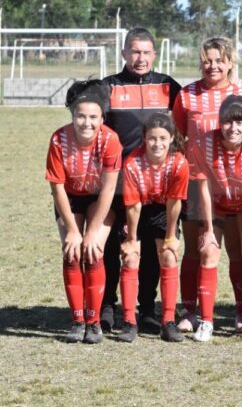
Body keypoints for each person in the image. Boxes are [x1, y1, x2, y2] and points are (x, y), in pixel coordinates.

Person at [172, 37, 242, 333]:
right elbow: (176, 136)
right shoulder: (187, 95)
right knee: (196, 249)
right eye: (207, 60)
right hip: (196, 183)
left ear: (230, 63)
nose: (212, 66)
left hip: (235, 186)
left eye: (219, 60)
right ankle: (189, 310)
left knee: (239, 252)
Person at [101, 28, 182, 334]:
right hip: (118, 184)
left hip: (157, 185)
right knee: (115, 247)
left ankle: (147, 308)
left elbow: (184, 129)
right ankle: (108, 306)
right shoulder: (108, 86)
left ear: (155, 55)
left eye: (147, 52)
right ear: (124, 53)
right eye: (135, 51)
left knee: (149, 247)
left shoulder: (168, 86)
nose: (141, 58)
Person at [186, 95, 242, 342]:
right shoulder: (202, 144)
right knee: (208, 251)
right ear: (219, 122)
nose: (233, 128)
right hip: (217, 206)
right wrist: (208, 229)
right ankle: (206, 321)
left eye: (240, 122)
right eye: (227, 122)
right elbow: (202, 190)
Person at [46, 80, 122, 344]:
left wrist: (90, 233)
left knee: (93, 251)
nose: (86, 123)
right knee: (72, 252)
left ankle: (94, 322)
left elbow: (109, 190)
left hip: (99, 198)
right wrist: (73, 232)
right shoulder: (59, 139)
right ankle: (77, 321)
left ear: (102, 117)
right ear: (72, 115)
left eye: (93, 117)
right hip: (70, 199)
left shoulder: (110, 140)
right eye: (80, 116)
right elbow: (57, 189)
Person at [118, 113, 189, 343]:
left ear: (171, 139)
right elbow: (133, 205)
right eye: (152, 138)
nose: (157, 144)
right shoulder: (132, 163)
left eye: (162, 138)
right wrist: (130, 239)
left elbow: (174, 203)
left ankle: (167, 321)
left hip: (163, 211)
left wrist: (171, 237)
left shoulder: (178, 163)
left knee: (168, 256)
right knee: (130, 258)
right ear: (143, 139)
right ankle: (129, 321)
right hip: (137, 210)